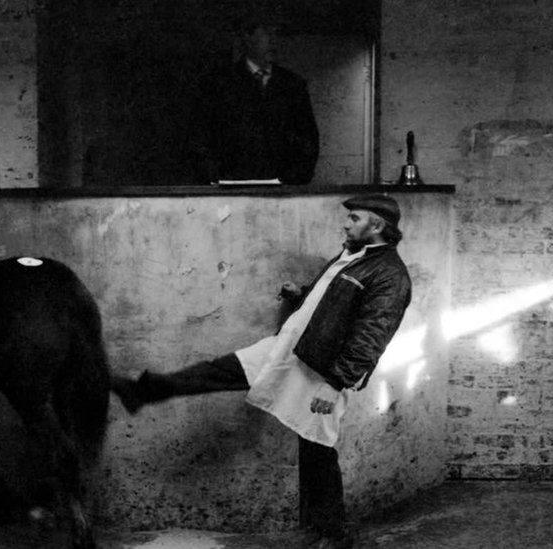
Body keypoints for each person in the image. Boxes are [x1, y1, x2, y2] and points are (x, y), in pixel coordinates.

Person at [111, 193, 412, 549]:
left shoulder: (390, 275)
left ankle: (331, 534)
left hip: (321, 370)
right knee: (221, 370)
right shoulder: (351, 254)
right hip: (289, 348)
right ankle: (143, 390)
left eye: (354, 219)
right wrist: (299, 295)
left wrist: (335, 385)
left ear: (377, 226)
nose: (345, 224)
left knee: (317, 445)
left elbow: (372, 335)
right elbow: (328, 302)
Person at [188, 11, 320, 185]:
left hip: (283, 187)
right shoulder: (219, 84)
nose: (273, 40)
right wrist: (214, 178)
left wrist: (295, 179)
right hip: (231, 185)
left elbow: (308, 139)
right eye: (266, 32)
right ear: (247, 36)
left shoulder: (292, 85)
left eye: (277, 33)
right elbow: (201, 135)